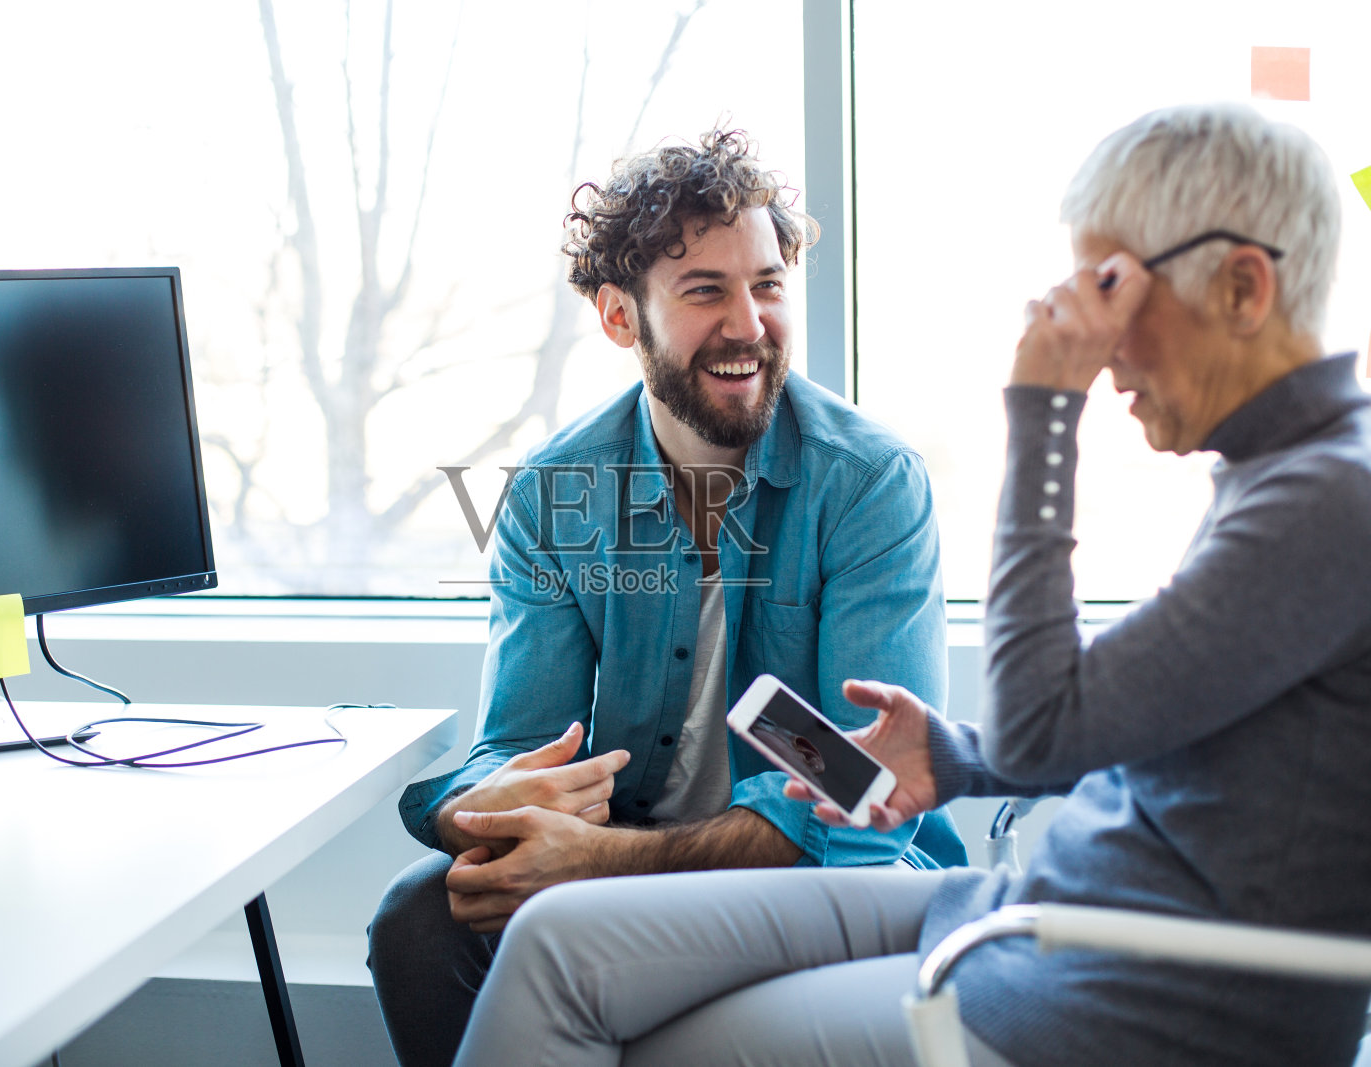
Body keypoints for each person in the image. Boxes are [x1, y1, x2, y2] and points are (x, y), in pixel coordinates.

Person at [447, 104, 1371, 1067]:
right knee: (551, 942)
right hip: (1042, 921)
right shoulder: (1293, 475)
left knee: (647, 1035)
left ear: (1242, 287)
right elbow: (1164, 732)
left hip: (1114, 988)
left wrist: (1044, 415)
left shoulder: (1330, 503)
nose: (1098, 340)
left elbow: (1050, 720)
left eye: (1112, 289)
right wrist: (960, 759)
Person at [367, 129, 966, 1067]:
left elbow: (865, 797)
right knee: (418, 916)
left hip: (840, 875)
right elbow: (516, 743)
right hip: (637, 863)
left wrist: (596, 860)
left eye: (766, 284)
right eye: (704, 291)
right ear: (619, 317)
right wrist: (468, 813)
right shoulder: (556, 494)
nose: (750, 322)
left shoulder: (867, 483)